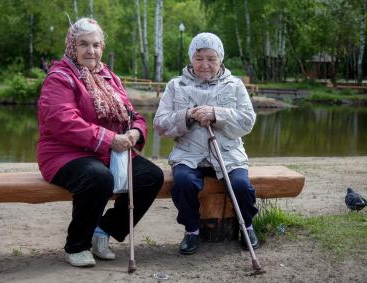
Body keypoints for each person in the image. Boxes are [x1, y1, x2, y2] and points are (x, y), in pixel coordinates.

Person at [37, 17, 164, 267]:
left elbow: (132, 115)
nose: (90, 51)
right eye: (83, 44)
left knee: (151, 177)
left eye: (96, 45)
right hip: (64, 153)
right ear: (72, 46)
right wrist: (109, 139)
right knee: (98, 178)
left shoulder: (108, 76)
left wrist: (136, 132)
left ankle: (103, 231)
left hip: (107, 152)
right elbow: (63, 120)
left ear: (102, 47)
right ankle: (77, 245)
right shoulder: (60, 77)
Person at [154, 32, 259, 255]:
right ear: (191, 58)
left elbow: (247, 121)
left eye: (211, 58)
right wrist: (188, 115)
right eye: (199, 58)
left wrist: (217, 114)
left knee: (241, 186)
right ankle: (192, 230)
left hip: (228, 153)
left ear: (220, 59)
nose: (205, 64)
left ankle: (247, 226)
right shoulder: (176, 86)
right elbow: (160, 125)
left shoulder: (234, 85)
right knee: (182, 183)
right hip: (188, 154)